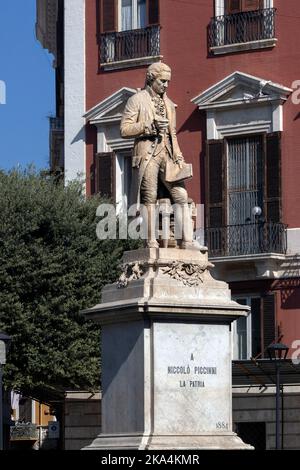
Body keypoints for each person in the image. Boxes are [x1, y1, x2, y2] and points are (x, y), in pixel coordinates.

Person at [120, 62, 196, 249]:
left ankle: (187, 241)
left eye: (168, 81)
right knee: (150, 196)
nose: (166, 85)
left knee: (181, 195)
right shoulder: (137, 100)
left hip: (168, 155)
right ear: (151, 79)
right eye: (162, 81)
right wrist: (148, 126)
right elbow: (124, 129)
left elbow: (173, 135)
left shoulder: (170, 105)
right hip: (148, 154)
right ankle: (151, 240)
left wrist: (178, 156)